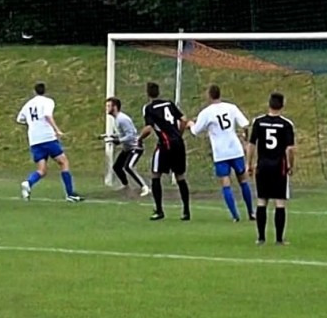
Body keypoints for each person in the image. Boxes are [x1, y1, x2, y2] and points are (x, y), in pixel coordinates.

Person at [188, 85, 255, 221]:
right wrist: (245, 137)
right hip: (235, 150)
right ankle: (251, 212)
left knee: (226, 183)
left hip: (221, 153)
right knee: (243, 180)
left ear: (209, 95)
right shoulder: (231, 107)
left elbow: (196, 131)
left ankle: (235, 216)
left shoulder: (206, 112)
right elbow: (245, 125)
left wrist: (190, 125)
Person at [17, 82, 84, 202]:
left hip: (34, 140)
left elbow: (20, 119)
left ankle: (28, 182)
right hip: (47, 137)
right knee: (63, 162)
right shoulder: (48, 101)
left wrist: (33, 124)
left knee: (42, 170)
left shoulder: (28, 104)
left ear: (34, 91)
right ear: (45, 91)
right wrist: (57, 130)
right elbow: (48, 115)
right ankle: (70, 194)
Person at [246, 92, 296, 245]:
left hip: (262, 166)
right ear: (282, 105)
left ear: (269, 104)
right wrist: (290, 165)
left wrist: (249, 163)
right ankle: (279, 239)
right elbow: (290, 149)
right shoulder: (286, 124)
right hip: (279, 167)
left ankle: (261, 238)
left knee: (262, 200)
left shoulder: (259, 122)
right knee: (279, 202)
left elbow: (251, 144)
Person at [138, 82, 191, 221]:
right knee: (180, 176)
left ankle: (159, 210)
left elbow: (148, 129)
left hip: (165, 144)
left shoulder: (149, 108)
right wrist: (179, 133)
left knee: (156, 174)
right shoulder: (169, 103)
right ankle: (186, 211)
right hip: (178, 143)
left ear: (147, 93)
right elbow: (184, 119)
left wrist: (139, 138)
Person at [103, 97, 149, 197]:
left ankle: (145, 187)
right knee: (117, 167)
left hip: (135, 147)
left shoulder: (122, 119)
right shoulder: (117, 119)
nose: (106, 108)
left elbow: (131, 135)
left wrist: (119, 140)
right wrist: (111, 136)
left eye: (108, 106)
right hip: (127, 148)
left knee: (129, 167)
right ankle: (126, 187)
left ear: (115, 107)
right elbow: (123, 134)